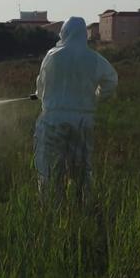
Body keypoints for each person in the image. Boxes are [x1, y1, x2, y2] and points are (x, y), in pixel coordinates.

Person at [33, 16, 118, 196]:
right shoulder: (94, 58)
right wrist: (96, 98)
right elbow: (111, 80)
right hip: (82, 121)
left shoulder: (52, 55)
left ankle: (50, 208)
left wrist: (41, 96)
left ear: (64, 33)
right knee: (80, 169)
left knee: (48, 168)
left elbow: (41, 85)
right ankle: (81, 206)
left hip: (52, 120)